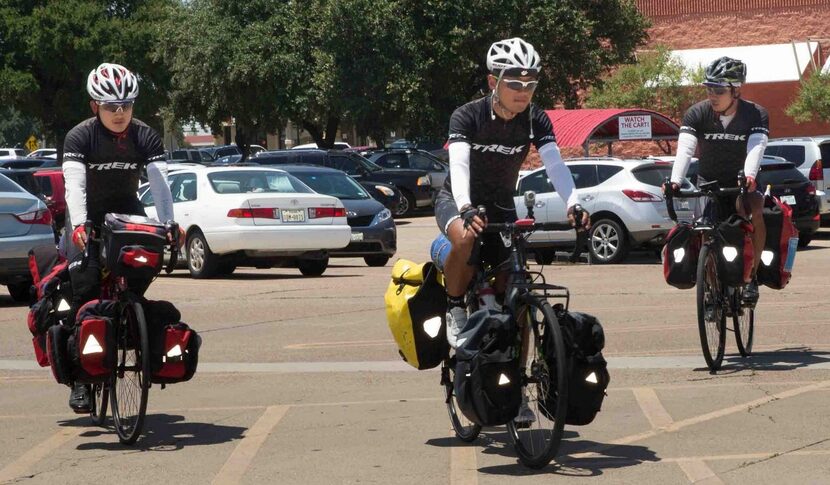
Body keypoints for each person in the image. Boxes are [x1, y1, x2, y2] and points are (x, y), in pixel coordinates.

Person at [434, 37, 590, 422]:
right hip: (457, 198)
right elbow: (459, 169)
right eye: (514, 83)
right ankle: (456, 304)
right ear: (493, 82)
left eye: (531, 83)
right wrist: (466, 206)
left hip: (502, 204)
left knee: (517, 300)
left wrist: (574, 204)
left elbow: (555, 165)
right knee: (467, 239)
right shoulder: (467, 116)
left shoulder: (535, 118)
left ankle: (515, 394)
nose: (524, 91)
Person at [62, 62, 177, 412]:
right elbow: (74, 187)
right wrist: (80, 225)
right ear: (94, 105)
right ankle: (80, 378)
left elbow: (160, 185)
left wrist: (169, 223)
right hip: (88, 216)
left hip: (126, 211)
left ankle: (129, 321)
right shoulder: (80, 136)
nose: (120, 113)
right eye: (111, 106)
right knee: (82, 285)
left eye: (126, 105)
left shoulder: (145, 135)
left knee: (144, 265)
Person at [668, 56, 768, 303]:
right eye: (708, 88)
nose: (712, 95)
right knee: (704, 230)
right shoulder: (697, 113)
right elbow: (685, 149)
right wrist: (675, 181)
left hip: (741, 183)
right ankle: (712, 291)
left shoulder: (755, 115)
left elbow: (756, 147)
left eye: (719, 90)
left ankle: (752, 277)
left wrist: (749, 176)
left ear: (735, 91)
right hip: (708, 182)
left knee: (755, 211)